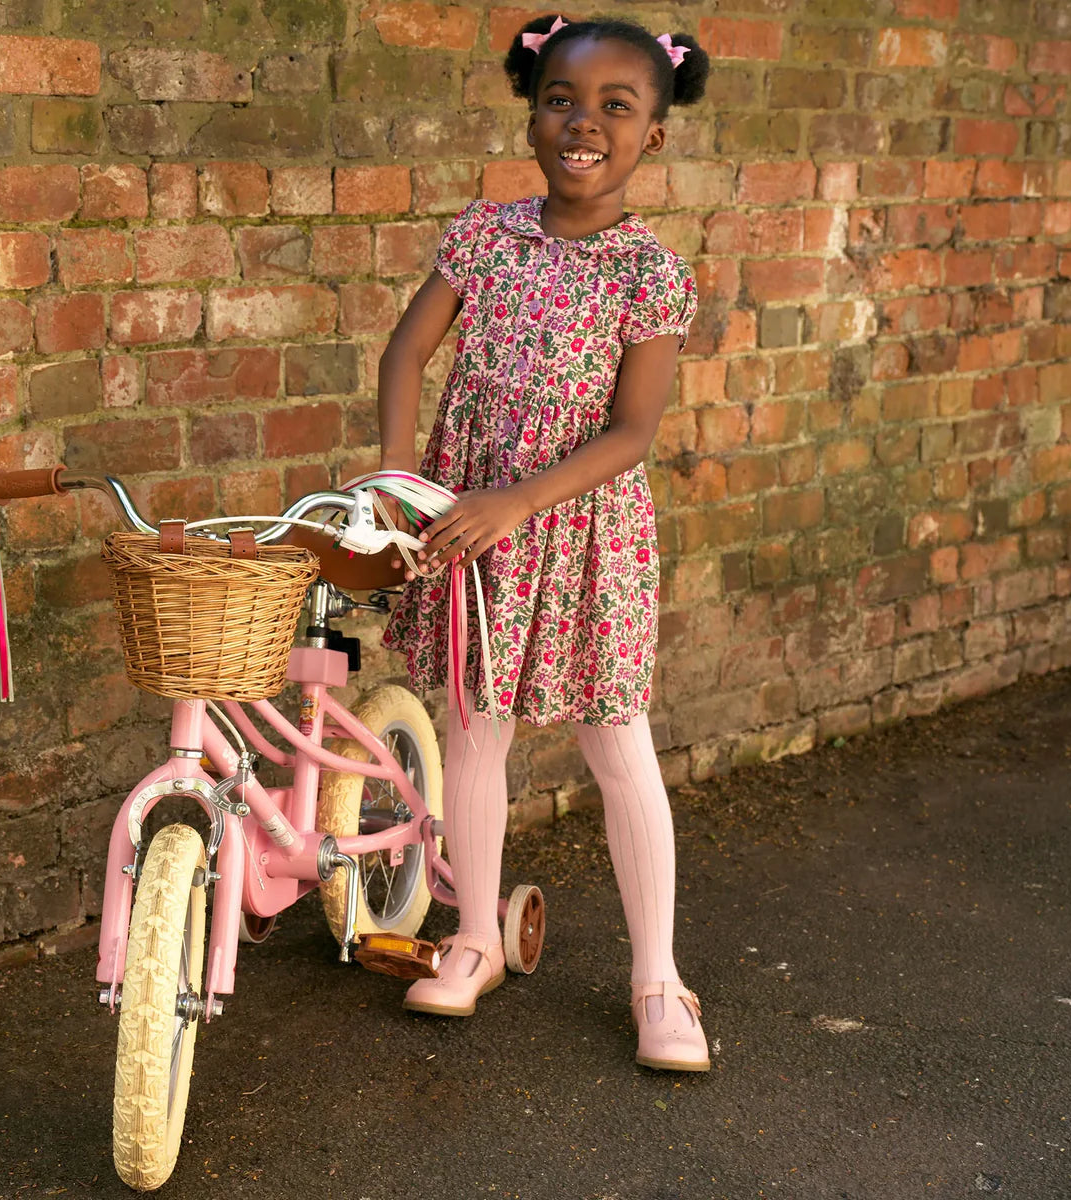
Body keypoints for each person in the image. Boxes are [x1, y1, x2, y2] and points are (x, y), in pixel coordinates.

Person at [376, 15, 712, 1072]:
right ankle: (474, 937)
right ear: (531, 117)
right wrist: (397, 475)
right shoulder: (483, 236)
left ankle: (658, 981)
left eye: (616, 107)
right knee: (476, 723)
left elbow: (633, 432)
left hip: (579, 529)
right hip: (467, 517)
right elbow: (405, 352)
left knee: (617, 739)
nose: (584, 124)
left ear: (653, 136)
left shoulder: (649, 273)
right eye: (561, 101)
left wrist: (515, 502)